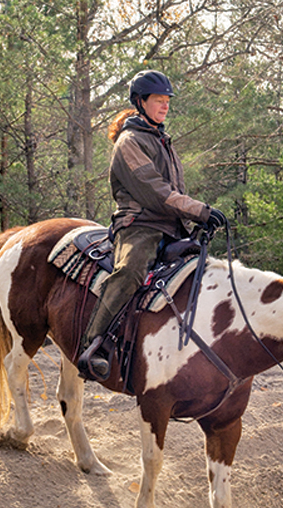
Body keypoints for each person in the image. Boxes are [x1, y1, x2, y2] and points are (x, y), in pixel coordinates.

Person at [78, 69, 227, 380]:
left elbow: (173, 192)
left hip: (172, 226)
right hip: (140, 225)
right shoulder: (129, 142)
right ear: (140, 102)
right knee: (131, 271)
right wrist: (200, 211)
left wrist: (196, 220)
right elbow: (156, 192)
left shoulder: (162, 140)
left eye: (167, 100)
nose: (165, 105)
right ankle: (95, 346)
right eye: (158, 100)